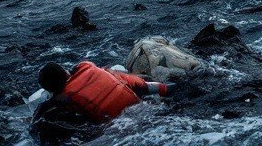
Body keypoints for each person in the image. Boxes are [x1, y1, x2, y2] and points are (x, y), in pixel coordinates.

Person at [30, 61, 172, 144]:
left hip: (120, 129)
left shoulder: (64, 98)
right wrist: (164, 89)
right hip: (146, 111)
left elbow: (38, 120)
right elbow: (139, 84)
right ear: (65, 71)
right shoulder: (90, 67)